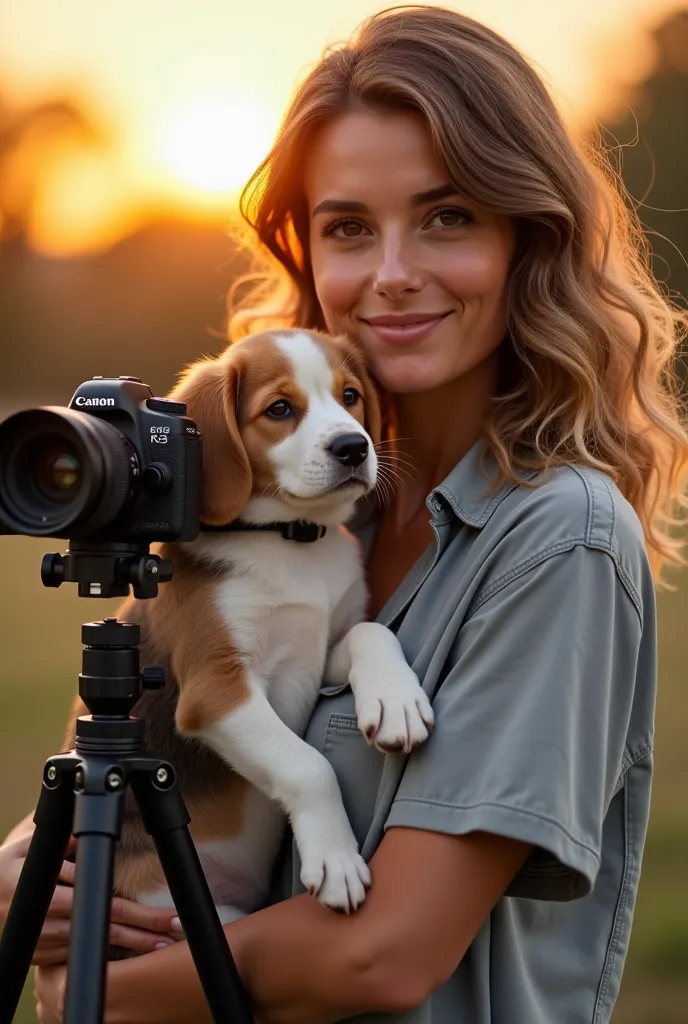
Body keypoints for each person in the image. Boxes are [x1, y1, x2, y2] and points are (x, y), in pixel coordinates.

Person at [2, 5, 687, 1022]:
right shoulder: (312, 515)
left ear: (525, 236)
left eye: (447, 215)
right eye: (348, 227)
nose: (393, 272)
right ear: (306, 248)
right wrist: (31, 870)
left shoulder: (555, 537)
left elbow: (385, 959)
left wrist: (101, 986)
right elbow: (176, 729)